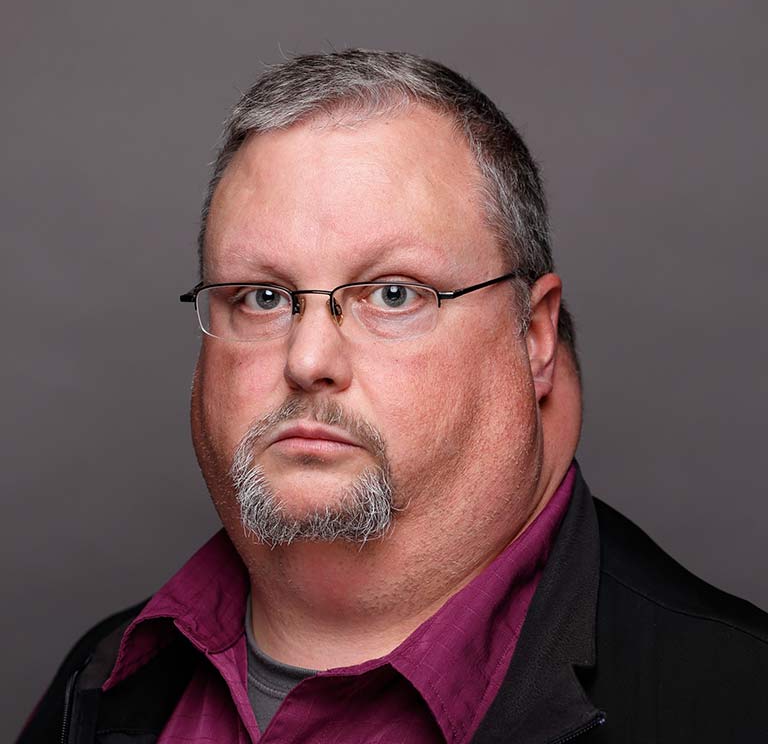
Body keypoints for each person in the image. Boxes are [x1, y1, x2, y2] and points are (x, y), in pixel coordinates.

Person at [19, 50, 768, 744]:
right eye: (263, 296)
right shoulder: (103, 678)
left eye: (393, 293)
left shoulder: (734, 702)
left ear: (535, 335)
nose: (308, 360)